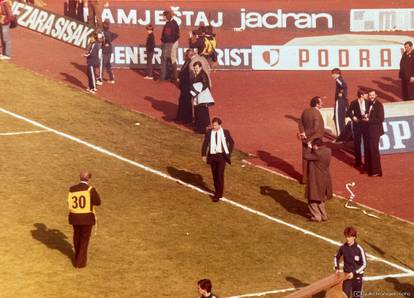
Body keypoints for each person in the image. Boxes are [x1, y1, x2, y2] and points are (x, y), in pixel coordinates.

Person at [68, 171, 101, 268]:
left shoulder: (72, 189)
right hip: (86, 218)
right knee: (84, 240)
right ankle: (80, 263)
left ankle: (77, 256)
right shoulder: (90, 189)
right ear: (88, 179)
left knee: (77, 237)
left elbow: (69, 202)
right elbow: (98, 202)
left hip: (75, 217)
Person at [201, 118, 234, 202]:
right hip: (212, 156)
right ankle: (217, 191)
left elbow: (231, 142)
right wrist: (203, 154)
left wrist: (228, 152)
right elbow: (205, 143)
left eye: (215, 125)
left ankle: (219, 194)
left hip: (221, 156)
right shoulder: (209, 132)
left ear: (219, 125)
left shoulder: (225, 132)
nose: (214, 127)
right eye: (213, 125)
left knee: (220, 174)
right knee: (215, 175)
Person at [303, 138, 332, 222]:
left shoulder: (317, 154)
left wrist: (308, 147)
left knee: (312, 198)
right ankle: (324, 215)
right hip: (325, 178)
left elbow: (305, 156)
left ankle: (317, 216)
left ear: (316, 146)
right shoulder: (328, 150)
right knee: (320, 198)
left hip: (316, 179)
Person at [298, 96, 325, 184]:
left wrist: (303, 133)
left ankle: (304, 179)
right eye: (321, 102)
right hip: (315, 140)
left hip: (305, 140)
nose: (322, 103)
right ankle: (313, 179)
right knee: (316, 160)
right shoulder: (317, 113)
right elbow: (315, 128)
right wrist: (306, 134)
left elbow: (300, 123)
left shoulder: (305, 111)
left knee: (305, 159)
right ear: (317, 104)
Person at [334, 227, 367, 298]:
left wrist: (354, 273)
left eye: (349, 237)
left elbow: (364, 264)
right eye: (346, 236)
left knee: (356, 297)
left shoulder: (359, 249)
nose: (347, 239)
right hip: (347, 277)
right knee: (345, 296)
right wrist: (337, 268)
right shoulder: (343, 247)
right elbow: (336, 257)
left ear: (354, 237)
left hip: (357, 277)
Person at [363, 90, 384, 177]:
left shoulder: (379, 105)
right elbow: (368, 113)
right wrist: (366, 116)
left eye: (372, 95)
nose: (371, 96)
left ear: (376, 95)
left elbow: (381, 118)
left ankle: (377, 171)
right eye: (370, 95)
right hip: (369, 130)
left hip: (375, 131)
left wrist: (369, 120)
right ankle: (370, 169)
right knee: (369, 149)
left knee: (374, 150)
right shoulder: (369, 104)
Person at [346, 89, 370, 168]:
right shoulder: (354, 103)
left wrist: (368, 115)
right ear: (361, 95)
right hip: (357, 126)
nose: (367, 96)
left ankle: (367, 162)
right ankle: (358, 162)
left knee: (367, 144)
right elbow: (348, 112)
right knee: (357, 144)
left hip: (366, 126)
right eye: (366, 94)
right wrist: (353, 117)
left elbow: (371, 111)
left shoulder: (368, 102)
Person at [191, 61, 212, 134]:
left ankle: (202, 129)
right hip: (199, 95)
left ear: (200, 67)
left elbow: (205, 84)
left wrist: (197, 90)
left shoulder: (202, 74)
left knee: (201, 111)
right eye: (194, 68)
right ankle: (200, 127)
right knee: (198, 110)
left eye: (196, 68)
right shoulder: (198, 74)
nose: (195, 69)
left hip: (202, 96)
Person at [160, 10, 179, 82]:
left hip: (169, 43)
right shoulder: (174, 23)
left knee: (167, 59)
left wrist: (163, 39)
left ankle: (169, 76)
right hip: (172, 43)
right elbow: (177, 34)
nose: (163, 17)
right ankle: (171, 76)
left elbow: (167, 36)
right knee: (170, 59)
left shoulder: (169, 24)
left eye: (164, 16)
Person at [175, 49, 193, 123]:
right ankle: (181, 117)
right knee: (182, 101)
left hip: (187, 85)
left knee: (187, 102)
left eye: (185, 55)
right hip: (184, 85)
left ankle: (187, 119)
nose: (184, 56)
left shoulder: (190, 63)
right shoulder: (187, 62)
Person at [331, 68, 348, 142]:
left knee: (338, 119)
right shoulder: (341, 79)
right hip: (343, 101)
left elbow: (344, 86)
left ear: (336, 74)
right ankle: (343, 137)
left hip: (340, 101)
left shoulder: (338, 79)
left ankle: (340, 138)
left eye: (333, 74)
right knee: (341, 119)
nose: (332, 76)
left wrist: (341, 93)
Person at [97, 20, 116, 85]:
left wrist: (102, 41)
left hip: (104, 51)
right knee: (108, 65)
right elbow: (115, 35)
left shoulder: (101, 32)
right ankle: (112, 79)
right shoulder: (109, 33)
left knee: (102, 65)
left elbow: (99, 40)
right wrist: (108, 42)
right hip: (109, 50)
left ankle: (100, 80)